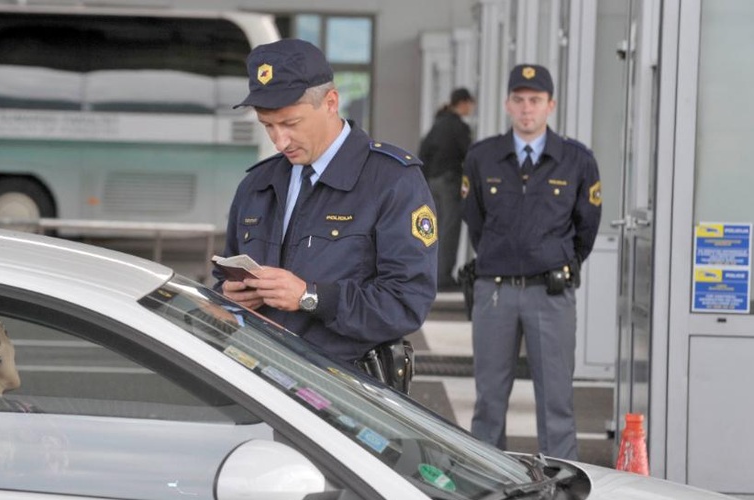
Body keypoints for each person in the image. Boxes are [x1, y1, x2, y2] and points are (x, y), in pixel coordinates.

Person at [214, 38, 438, 388]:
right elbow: (224, 278)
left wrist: (310, 296)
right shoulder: (257, 184)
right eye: (268, 125)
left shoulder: (392, 181)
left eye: (291, 123)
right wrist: (228, 295)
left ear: (331, 102)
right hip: (258, 385)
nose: (280, 141)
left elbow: (405, 304)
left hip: (346, 395)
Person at [461, 64, 602, 460]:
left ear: (550, 105)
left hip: (550, 293)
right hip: (495, 293)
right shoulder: (482, 157)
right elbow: (475, 221)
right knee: (488, 400)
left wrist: (561, 261)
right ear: (507, 104)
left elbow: (586, 226)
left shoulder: (576, 160)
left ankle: (561, 479)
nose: (527, 109)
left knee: (557, 401)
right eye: (519, 100)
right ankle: (486, 479)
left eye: (535, 101)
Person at [419, 87, 476, 290]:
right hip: (450, 182)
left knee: (435, 229)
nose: (471, 109)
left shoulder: (438, 124)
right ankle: (443, 276)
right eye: (470, 104)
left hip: (433, 182)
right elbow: (471, 155)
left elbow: (423, 151)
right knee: (450, 229)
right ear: (463, 103)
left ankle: (433, 272)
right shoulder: (458, 127)